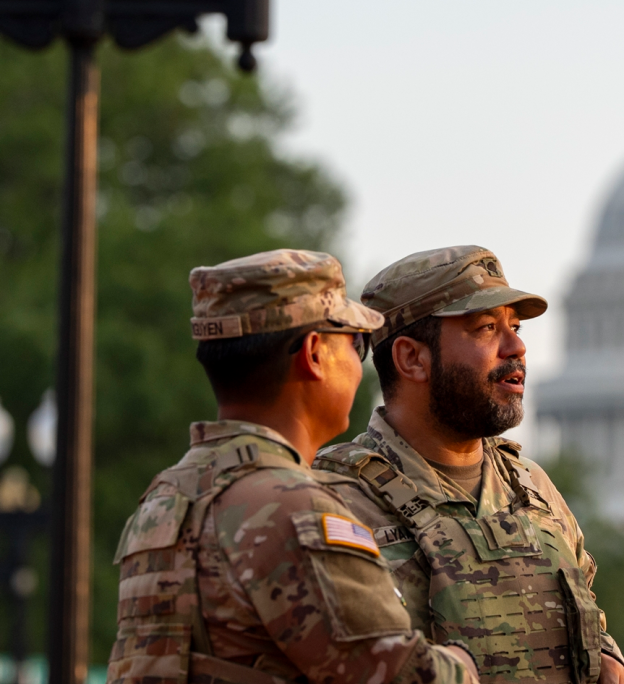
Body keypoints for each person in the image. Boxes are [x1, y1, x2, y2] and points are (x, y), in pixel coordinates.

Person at [108, 250, 478, 684]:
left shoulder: (164, 498)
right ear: (315, 353)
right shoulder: (293, 508)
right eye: (356, 343)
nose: (361, 368)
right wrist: (460, 665)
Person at [314, 246, 624, 684]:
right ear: (412, 358)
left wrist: (608, 660)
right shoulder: (333, 502)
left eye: (514, 327)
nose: (516, 346)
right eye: (485, 328)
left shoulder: (533, 488)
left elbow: (588, 623)